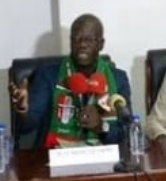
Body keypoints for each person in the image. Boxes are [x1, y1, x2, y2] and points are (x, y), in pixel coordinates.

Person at [10, 14, 131, 148]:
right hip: (56, 155)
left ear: (101, 44)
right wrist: (23, 109)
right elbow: (27, 127)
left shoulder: (118, 79)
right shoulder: (48, 76)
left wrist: (100, 126)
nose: (82, 44)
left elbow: (127, 133)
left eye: (89, 40)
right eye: (76, 39)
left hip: (104, 158)